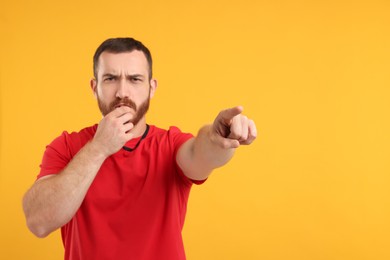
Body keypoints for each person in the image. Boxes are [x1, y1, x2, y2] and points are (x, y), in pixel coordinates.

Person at [22, 37, 257, 260]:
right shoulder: (66, 146)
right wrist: (99, 148)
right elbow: (39, 221)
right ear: (94, 87)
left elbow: (202, 153)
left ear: (151, 87)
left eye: (134, 79)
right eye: (110, 78)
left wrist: (218, 137)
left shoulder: (170, 144)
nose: (122, 92)